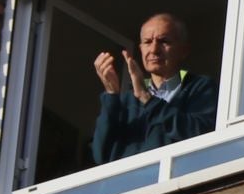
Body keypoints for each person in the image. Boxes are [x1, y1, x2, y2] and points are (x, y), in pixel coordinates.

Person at [90, 13, 216, 164]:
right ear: (141, 49)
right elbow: (101, 155)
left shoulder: (200, 87)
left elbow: (202, 135)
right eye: (147, 42)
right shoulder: (126, 101)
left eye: (164, 41)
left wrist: (146, 98)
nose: (154, 49)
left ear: (184, 50)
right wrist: (111, 94)